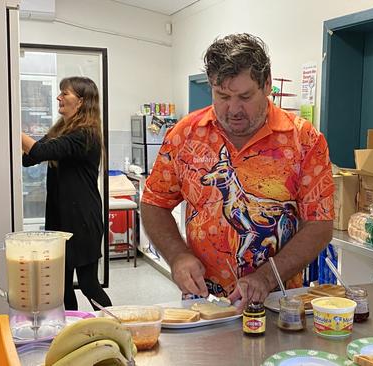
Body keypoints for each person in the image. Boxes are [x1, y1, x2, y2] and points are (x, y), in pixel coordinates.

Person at [141, 33, 335, 309]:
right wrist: (177, 256)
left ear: (267, 85)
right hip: (204, 303)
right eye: (222, 96)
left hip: (278, 302)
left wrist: (267, 277)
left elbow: (319, 225)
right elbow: (154, 204)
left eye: (245, 96)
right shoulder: (185, 135)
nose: (233, 109)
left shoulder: (304, 140)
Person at [21, 76, 112, 311]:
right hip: (61, 219)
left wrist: (10, 127)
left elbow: (40, 151)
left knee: (88, 283)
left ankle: (115, 327)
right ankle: (72, 332)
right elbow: (29, 158)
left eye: (65, 93)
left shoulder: (86, 134)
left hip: (82, 220)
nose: (59, 97)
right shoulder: (61, 130)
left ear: (81, 102)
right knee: (61, 285)